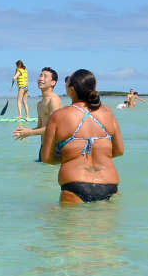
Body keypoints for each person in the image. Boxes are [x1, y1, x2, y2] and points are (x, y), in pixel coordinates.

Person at [40, 69, 124, 204]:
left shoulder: (59, 116)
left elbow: (47, 158)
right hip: (109, 183)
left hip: (74, 185)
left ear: (72, 89)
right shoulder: (108, 113)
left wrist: (70, 156)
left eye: (67, 82)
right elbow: (119, 151)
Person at [13, 67, 63, 160]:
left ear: (53, 82)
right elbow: (41, 127)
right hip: (43, 147)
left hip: (54, 147)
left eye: (45, 76)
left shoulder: (54, 100)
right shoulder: (40, 104)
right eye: (40, 75)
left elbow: (53, 128)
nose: (41, 78)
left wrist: (30, 132)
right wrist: (25, 131)